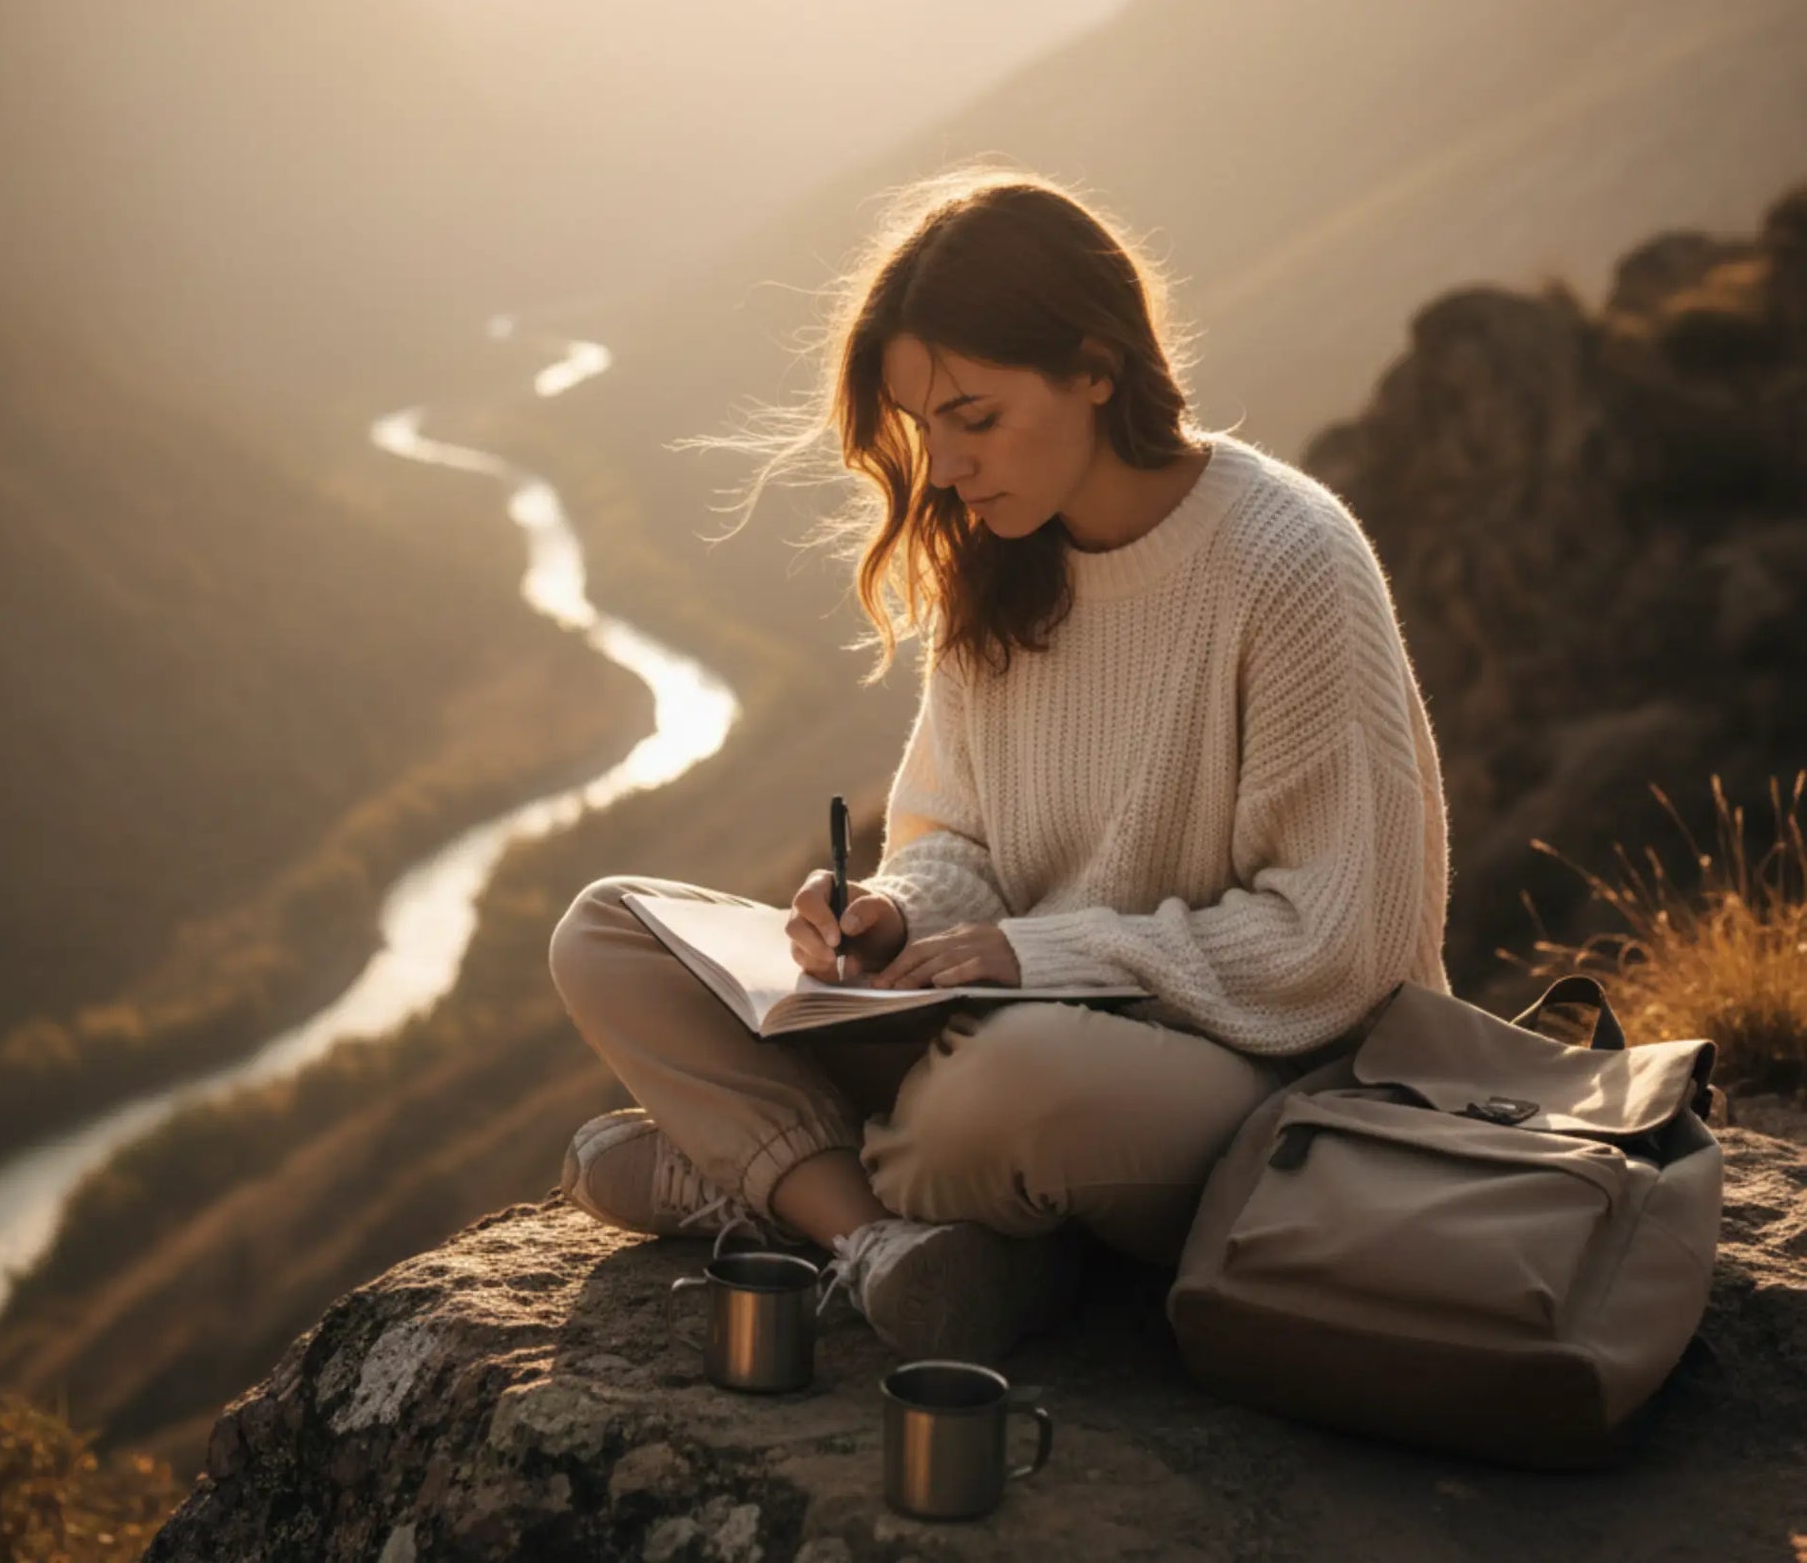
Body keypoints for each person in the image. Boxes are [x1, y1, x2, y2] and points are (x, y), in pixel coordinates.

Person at [548, 167, 1452, 1362]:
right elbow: (957, 845)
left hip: (1255, 1077)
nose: (943, 465)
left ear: (1095, 366)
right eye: (922, 426)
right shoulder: (1000, 559)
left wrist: (1040, 953)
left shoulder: (1286, 560)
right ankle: (884, 1241)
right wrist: (887, 913)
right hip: (1007, 1024)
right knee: (607, 931)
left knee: (993, 1092)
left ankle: (778, 1176)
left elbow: (1336, 945)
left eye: (972, 417)